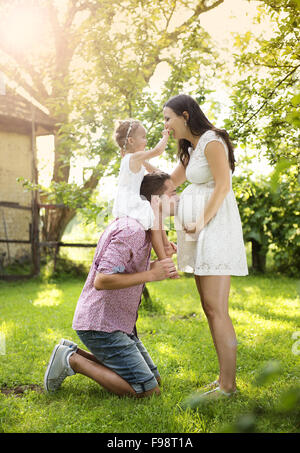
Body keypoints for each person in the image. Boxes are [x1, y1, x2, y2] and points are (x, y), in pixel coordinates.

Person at [44, 172, 179, 398]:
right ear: (156, 201)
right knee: (148, 391)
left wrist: (155, 266)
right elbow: (102, 279)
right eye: (173, 193)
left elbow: (126, 268)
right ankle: (73, 361)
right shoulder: (131, 230)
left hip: (118, 324)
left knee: (153, 380)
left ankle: (69, 351)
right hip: (101, 325)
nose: (178, 198)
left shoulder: (143, 228)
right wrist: (150, 274)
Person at [162, 94, 248, 399]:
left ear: (185, 116)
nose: (166, 126)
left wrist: (199, 222)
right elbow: (167, 185)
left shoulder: (212, 141)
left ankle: (228, 387)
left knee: (217, 309)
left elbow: (223, 186)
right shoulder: (192, 150)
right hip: (199, 233)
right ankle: (223, 381)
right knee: (210, 308)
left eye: (168, 119)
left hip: (213, 229)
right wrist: (140, 163)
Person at [113, 119, 177, 268]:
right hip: (132, 202)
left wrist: (160, 174)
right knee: (155, 219)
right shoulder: (133, 157)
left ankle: (166, 246)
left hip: (128, 202)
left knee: (156, 217)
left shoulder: (133, 159)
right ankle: (164, 260)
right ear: (131, 140)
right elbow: (157, 151)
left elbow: (156, 172)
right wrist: (165, 136)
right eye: (143, 137)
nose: (146, 140)